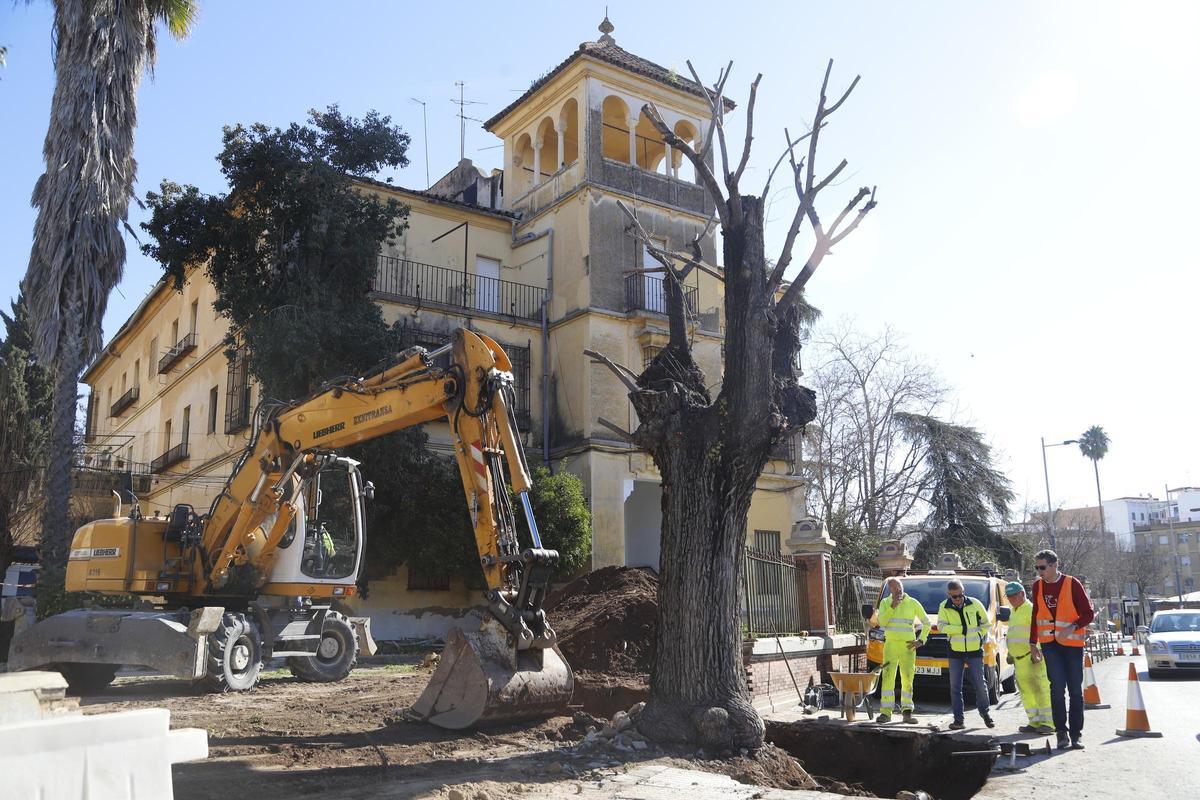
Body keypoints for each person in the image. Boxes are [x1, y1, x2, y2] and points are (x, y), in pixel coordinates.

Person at [1029, 549, 1094, 750]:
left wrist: (1072, 627)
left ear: (1054, 565)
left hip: (1073, 645)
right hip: (1049, 644)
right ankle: (1061, 733)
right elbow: (1036, 614)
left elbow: (1088, 613)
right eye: (1037, 567)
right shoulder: (1037, 586)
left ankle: (1076, 735)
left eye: (1042, 567)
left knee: (1075, 691)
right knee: (1056, 689)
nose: (1039, 571)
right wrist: (1033, 643)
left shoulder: (1072, 583)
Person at [872, 576, 931, 724]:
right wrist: (892, 606)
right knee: (887, 678)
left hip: (907, 646)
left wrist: (921, 640)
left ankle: (907, 712)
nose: (897, 590)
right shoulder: (885, 603)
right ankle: (885, 713)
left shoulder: (912, 603)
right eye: (894, 588)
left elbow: (927, 622)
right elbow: (881, 622)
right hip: (890, 645)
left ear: (902, 588)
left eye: (899, 587)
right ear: (890, 591)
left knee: (907, 678)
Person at [938, 579, 994, 730]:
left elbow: (986, 624)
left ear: (963, 592)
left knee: (980, 684)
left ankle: (985, 713)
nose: (958, 599)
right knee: (955, 687)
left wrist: (979, 635)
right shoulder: (943, 606)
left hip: (975, 650)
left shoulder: (975, 604)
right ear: (949, 595)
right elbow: (941, 627)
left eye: (960, 595)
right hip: (955, 652)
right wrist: (960, 629)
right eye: (954, 596)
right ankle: (959, 721)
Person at [1003, 581, 1054, 734]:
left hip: (1032, 658)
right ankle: (1034, 721)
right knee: (1026, 692)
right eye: (1009, 597)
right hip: (1020, 660)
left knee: (1041, 690)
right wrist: (1010, 653)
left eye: (1014, 596)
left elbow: (1040, 631)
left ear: (1022, 594)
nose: (1011, 599)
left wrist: (1037, 651)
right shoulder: (1015, 611)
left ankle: (1049, 723)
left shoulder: (1031, 609)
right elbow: (1015, 634)